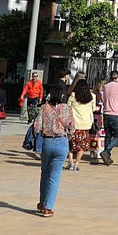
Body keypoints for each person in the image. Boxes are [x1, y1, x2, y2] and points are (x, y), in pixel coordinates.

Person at [33, 83, 73, 217]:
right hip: (62, 142)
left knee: (45, 173)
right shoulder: (67, 109)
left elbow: (37, 126)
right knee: (55, 176)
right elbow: (72, 127)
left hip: (47, 142)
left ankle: (42, 203)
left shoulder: (44, 108)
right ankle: (48, 207)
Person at [68, 79, 96, 170]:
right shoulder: (92, 97)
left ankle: (70, 162)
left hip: (74, 124)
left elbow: (68, 107)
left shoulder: (73, 95)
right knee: (82, 145)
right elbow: (94, 109)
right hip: (85, 124)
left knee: (71, 144)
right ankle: (77, 163)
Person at [99, 71, 118, 165]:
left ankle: (107, 157)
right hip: (115, 114)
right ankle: (107, 151)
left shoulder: (105, 87)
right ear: (117, 78)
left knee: (108, 135)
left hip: (106, 113)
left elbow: (104, 99)